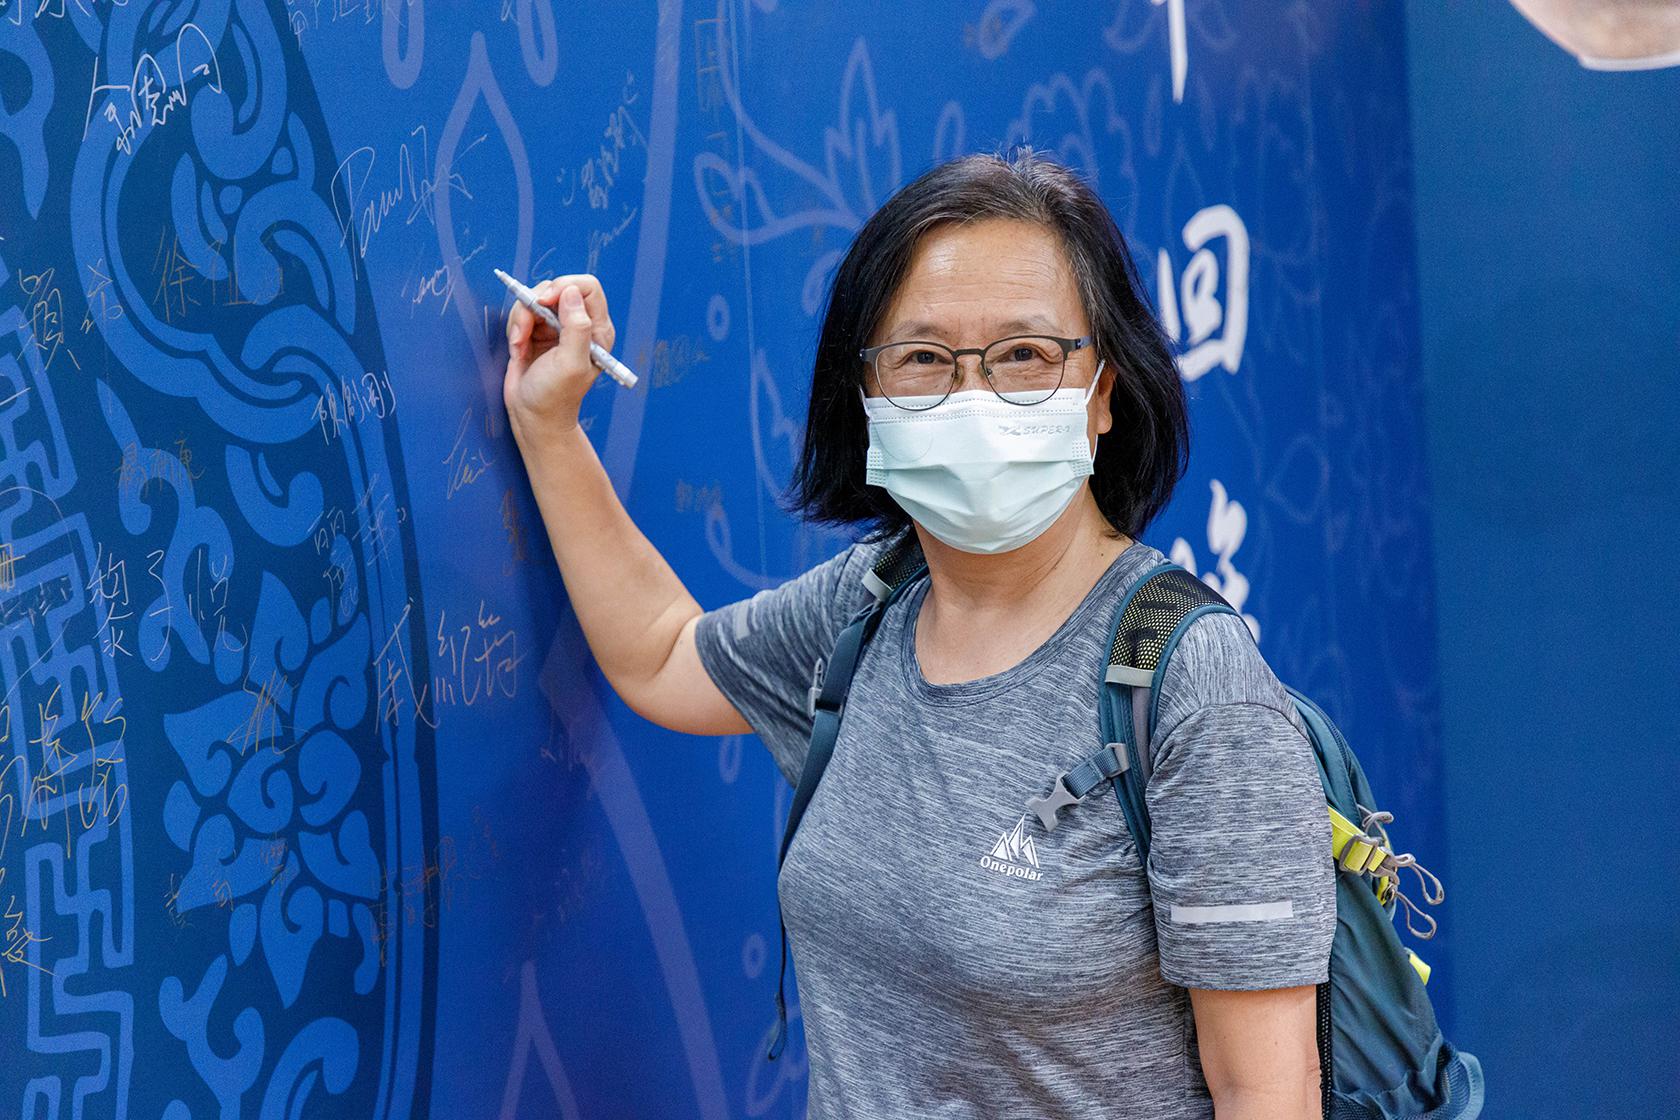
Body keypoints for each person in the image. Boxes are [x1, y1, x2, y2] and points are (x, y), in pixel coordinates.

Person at [503, 148, 1335, 1120]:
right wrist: (549, 425)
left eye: (1025, 355)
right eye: (924, 359)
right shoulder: (870, 605)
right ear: (866, 397)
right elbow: (659, 652)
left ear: (1103, 392)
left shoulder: (1190, 687)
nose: (974, 397)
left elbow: (1267, 1092)